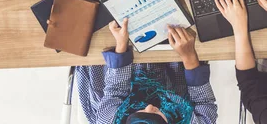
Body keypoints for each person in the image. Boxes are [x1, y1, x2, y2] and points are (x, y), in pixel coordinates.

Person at [76, 18, 218, 124]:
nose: (149, 107)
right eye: (156, 113)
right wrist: (188, 56)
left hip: (126, 91)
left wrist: (121, 44)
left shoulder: (108, 120)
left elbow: (116, 90)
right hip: (174, 85)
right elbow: (204, 101)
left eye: (141, 112)